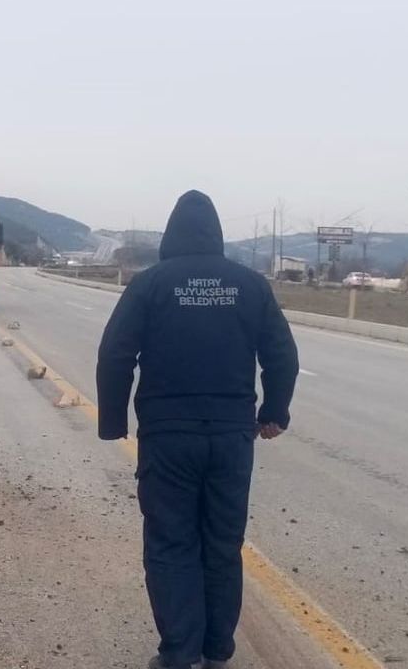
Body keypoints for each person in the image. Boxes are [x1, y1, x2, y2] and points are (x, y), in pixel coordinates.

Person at [96, 190, 299, 669]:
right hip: (232, 438)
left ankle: (178, 652)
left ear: (170, 235)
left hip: (169, 438)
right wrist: (275, 412)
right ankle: (216, 651)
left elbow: (115, 355)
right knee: (222, 543)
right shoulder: (250, 286)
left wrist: (112, 422)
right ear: (217, 236)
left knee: (171, 542)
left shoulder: (151, 284)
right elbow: (282, 356)